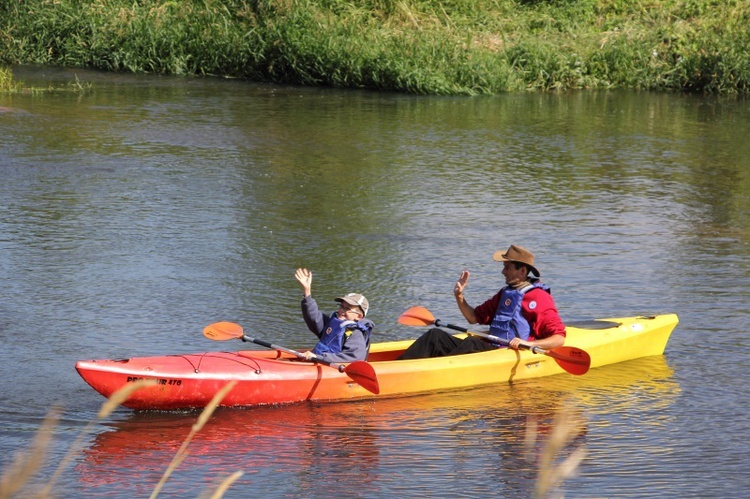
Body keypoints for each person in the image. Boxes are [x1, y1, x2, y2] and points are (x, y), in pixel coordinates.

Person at [398, 245, 566, 359]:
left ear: (522, 271)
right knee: (436, 336)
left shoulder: (539, 297)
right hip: (491, 348)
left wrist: (528, 343)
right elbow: (473, 318)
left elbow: (559, 338)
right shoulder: (505, 294)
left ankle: (438, 371)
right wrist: (459, 296)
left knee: (472, 342)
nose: (503, 271)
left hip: (505, 354)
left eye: (507, 267)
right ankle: (400, 367)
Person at [294, 268, 374, 362]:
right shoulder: (334, 322)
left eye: (347, 308)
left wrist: (318, 357)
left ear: (359, 316)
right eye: (341, 306)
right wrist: (307, 293)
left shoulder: (356, 334)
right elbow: (313, 317)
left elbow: (355, 358)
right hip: (318, 361)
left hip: (329, 367)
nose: (341, 310)